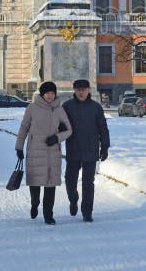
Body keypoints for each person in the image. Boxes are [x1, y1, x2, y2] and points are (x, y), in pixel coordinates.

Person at [15, 81, 72, 225]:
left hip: (52, 152)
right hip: (34, 151)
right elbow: (24, 128)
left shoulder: (59, 110)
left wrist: (57, 138)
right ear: (42, 94)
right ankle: (34, 204)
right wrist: (19, 147)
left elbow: (69, 130)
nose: (50, 96)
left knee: (50, 185)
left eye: (53, 93)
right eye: (47, 93)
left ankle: (48, 215)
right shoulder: (32, 108)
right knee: (35, 183)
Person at [62, 79, 110, 222]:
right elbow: (60, 127)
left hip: (91, 149)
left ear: (88, 90)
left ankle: (87, 212)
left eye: (84, 89)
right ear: (74, 91)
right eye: (78, 90)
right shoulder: (67, 106)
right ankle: (73, 199)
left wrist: (105, 146)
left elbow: (103, 128)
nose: (81, 92)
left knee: (88, 183)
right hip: (73, 149)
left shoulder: (96, 107)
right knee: (70, 180)